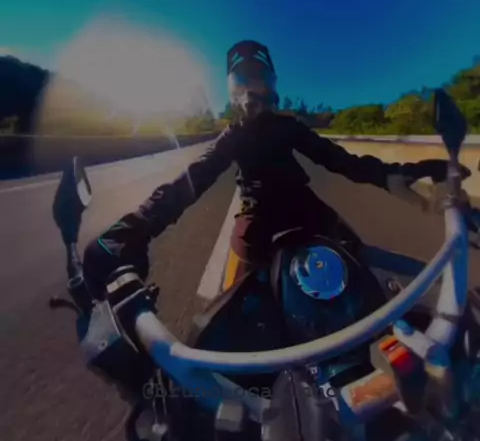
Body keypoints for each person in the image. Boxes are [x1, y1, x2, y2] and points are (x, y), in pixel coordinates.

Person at [83, 40, 458, 299]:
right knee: (234, 304)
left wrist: (394, 174)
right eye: (241, 82)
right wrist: (137, 226)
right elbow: (192, 180)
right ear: (232, 92)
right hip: (256, 215)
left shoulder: (288, 128)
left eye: (258, 79)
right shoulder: (231, 137)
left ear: (271, 85)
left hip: (303, 205)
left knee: (362, 269)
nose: (251, 91)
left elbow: (340, 160)